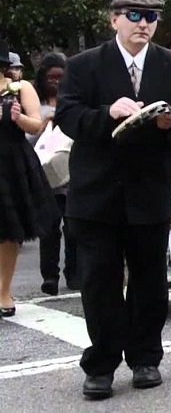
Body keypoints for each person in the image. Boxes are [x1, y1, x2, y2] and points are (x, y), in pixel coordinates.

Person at [54, 0, 171, 399]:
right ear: (113, 18)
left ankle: (146, 357)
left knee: (151, 279)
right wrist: (106, 113)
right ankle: (100, 364)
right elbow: (66, 116)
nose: (144, 24)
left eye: (151, 17)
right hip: (97, 193)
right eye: (135, 15)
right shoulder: (83, 66)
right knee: (100, 281)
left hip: (149, 189)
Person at [1, 42, 56, 317]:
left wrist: (18, 117)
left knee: (9, 231)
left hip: (10, 161)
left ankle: (4, 292)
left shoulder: (20, 89)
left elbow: (37, 124)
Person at [31, 52, 79, 295]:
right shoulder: (34, 106)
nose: (56, 82)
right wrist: (42, 125)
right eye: (50, 77)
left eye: (60, 77)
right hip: (45, 179)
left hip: (73, 178)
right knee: (49, 229)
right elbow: (26, 139)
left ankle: (74, 273)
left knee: (74, 227)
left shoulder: (74, 103)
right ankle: (49, 276)